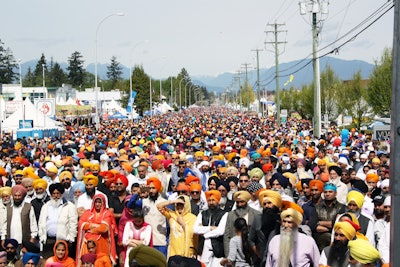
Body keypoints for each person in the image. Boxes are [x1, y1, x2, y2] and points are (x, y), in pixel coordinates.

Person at [266, 202, 320, 267]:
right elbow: (269, 264)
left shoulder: (308, 241)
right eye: (284, 221)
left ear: (297, 224)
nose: (286, 225)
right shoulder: (274, 240)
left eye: (289, 222)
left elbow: (318, 263)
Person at [38, 183, 78, 259]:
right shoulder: (46, 206)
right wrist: (42, 237)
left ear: (61, 194)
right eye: (53, 194)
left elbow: (73, 224)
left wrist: (71, 238)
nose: (56, 196)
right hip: (48, 240)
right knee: (48, 261)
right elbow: (41, 223)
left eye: (58, 193)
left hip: (63, 240)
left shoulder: (69, 206)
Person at [76, 194, 117, 266]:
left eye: (99, 202)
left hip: (102, 243)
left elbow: (104, 228)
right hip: (86, 243)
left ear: (103, 203)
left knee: (101, 262)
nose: (97, 204)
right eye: (96, 202)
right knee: (86, 262)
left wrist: (90, 228)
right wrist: (94, 225)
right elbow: (81, 224)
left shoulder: (107, 213)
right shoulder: (87, 212)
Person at [193, 190, 227, 267]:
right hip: (203, 248)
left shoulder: (224, 214)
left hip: (218, 247)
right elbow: (195, 229)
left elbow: (220, 231)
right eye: (209, 200)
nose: (211, 202)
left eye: (213, 200)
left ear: (217, 201)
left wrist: (204, 234)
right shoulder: (202, 214)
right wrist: (210, 228)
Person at [249, 189, 282, 267]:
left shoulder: (283, 219)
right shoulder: (258, 218)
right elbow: (251, 239)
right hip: (261, 261)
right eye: (264, 204)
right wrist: (259, 254)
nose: (267, 206)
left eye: (270, 203)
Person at [223, 190, 261, 257]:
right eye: (237, 202)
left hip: (251, 252)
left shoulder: (256, 214)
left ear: (246, 201)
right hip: (234, 252)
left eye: (242, 202)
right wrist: (228, 255)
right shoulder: (231, 215)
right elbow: (227, 235)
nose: (239, 204)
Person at [142, 177, 168, 257]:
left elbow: (170, 221)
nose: (151, 191)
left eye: (153, 188)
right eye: (149, 188)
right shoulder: (144, 201)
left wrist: (167, 238)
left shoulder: (164, 202)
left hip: (161, 240)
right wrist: (138, 192)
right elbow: (130, 205)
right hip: (147, 240)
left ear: (158, 188)